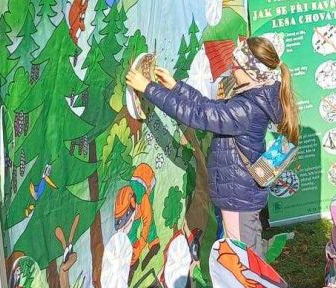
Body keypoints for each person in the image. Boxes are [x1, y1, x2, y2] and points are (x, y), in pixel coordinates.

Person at [126, 37, 298, 257]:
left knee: (243, 260)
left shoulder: (246, 108)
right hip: (239, 193)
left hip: (237, 196)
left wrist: (148, 88)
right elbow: (209, 107)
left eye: (235, 66)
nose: (231, 70)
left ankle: (255, 279)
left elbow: (198, 115)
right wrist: (177, 87)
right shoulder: (254, 97)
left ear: (250, 71)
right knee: (244, 252)